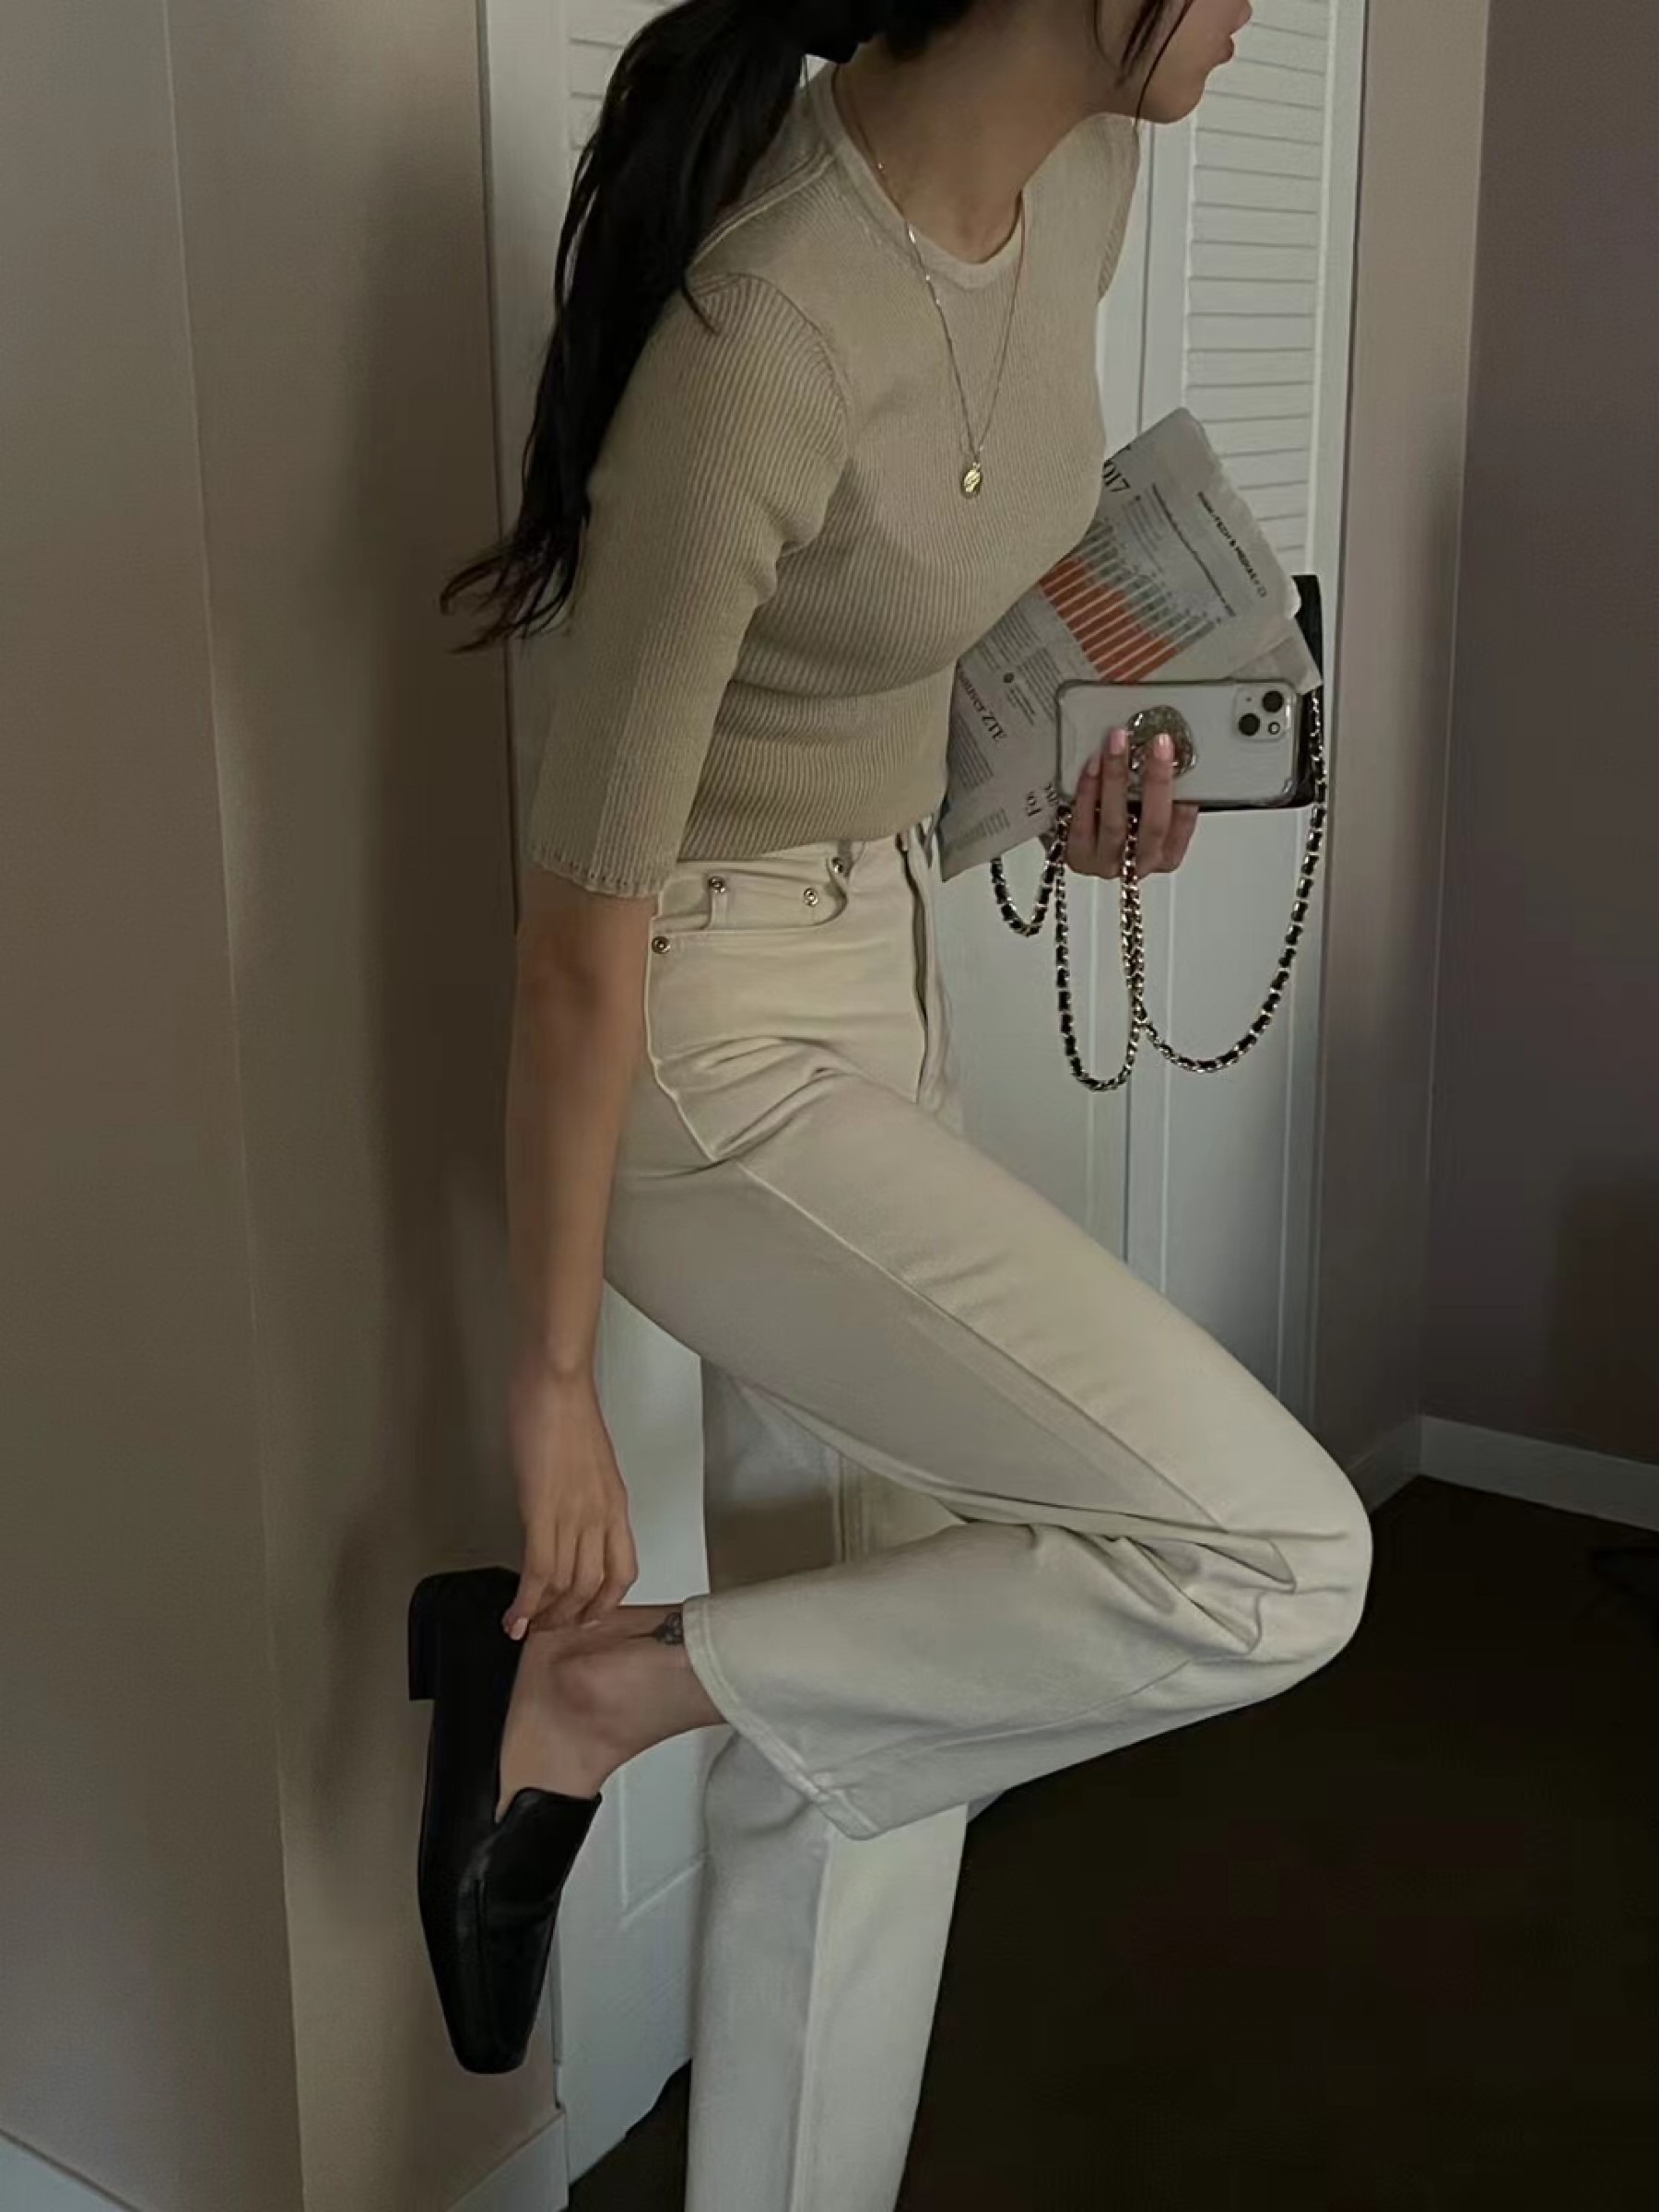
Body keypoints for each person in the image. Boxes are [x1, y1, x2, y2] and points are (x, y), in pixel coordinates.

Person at [409, 2, 1372, 2204]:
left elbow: (914, 610)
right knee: (1271, 1559)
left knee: (878, 1712)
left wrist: (1059, 785)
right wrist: (551, 1389)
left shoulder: (1084, 181)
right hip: (704, 1037)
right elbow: (578, 940)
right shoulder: (767, 334)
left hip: (888, 956)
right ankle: (585, 1699)